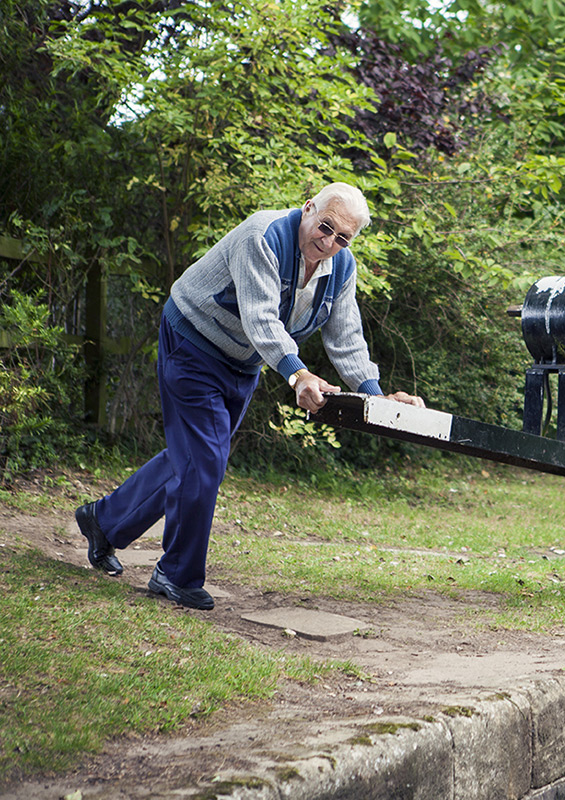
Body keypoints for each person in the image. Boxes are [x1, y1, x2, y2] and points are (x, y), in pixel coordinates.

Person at [75, 182, 423, 610]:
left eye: (342, 237)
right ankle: (175, 573)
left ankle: (103, 522)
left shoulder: (341, 268)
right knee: (203, 463)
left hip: (242, 363)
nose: (329, 241)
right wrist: (299, 375)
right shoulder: (264, 236)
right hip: (193, 342)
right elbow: (261, 318)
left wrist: (375, 394)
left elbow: (346, 336)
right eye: (326, 227)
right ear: (309, 207)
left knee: (197, 460)